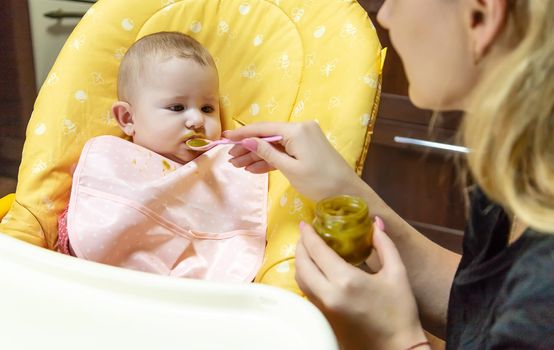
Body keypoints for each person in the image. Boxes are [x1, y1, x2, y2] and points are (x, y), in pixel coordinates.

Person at [224, 0, 554, 349]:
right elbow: (484, 304)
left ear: (481, 15)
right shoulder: (525, 167)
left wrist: (393, 339)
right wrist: (340, 188)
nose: (385, 15)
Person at [57, 32, 268, 283]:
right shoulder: (112, 161)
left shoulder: (223, 166)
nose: (197, 120)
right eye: (177, 108)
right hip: (101, 284)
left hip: (198, 298)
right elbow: (81, 223)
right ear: (128, 119)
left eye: (208, 108)